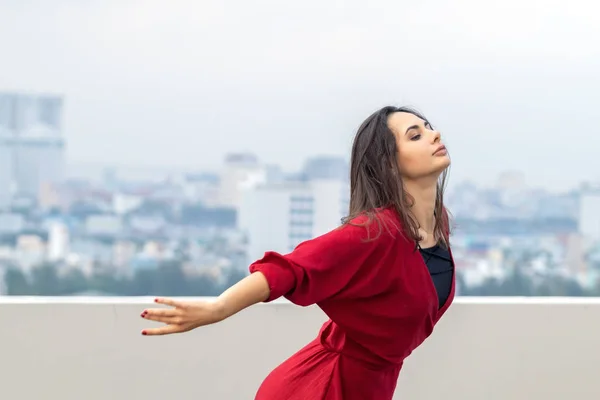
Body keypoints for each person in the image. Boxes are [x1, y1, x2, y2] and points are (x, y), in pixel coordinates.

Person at [139, 105, 455, 400]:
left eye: (429, 128)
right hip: (320, 388)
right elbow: (291, 269)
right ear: (388, 162)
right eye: (415, 135)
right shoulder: (374, 233)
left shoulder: (436, 227)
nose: (435, 134)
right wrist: (217, 309)